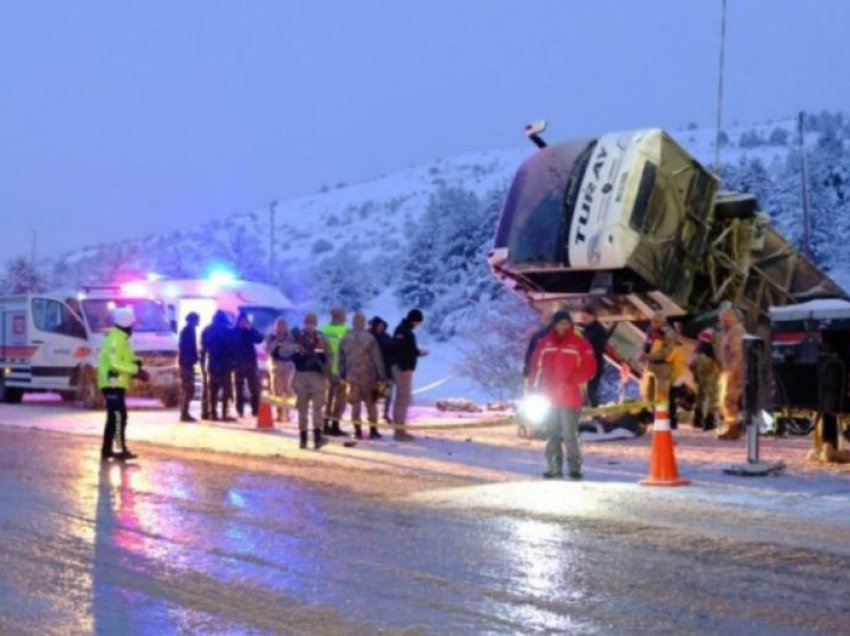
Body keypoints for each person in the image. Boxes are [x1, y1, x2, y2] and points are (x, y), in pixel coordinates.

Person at [528, 310, 597, 479]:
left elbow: (590, 366)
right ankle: (554, 468)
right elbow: (535, 366)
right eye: (560, 323)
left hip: (570, 396)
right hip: (549, 396)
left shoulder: (580, 343)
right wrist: (533, 388)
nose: (563, 326)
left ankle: (575, 468)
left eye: (566, 323)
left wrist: (575, 378)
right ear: (554, 324)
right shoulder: (544, 343)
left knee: (569, 434)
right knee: (552, 434)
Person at [98, 307, 149, 461]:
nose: (133, 327)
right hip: (112, 383)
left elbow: (126, 358)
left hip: (116, 383)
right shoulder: (116, 339)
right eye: (132, 324)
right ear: (126, 323)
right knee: (119, 416)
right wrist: (135, 370)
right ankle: (119, 450)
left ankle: (107, 450)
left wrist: (137, 362)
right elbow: (114, 363)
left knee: (114, 417)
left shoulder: (121, 339)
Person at [340, 312, 387, 440]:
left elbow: (341, 360)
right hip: (369, 376)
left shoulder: (345, 339)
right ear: (364, 322)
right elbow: (377, 359)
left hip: (352, 376)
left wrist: (342, 375)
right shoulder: (370, 339)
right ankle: (373, 430)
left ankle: (358, 430)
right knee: (371, 403)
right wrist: (382, 376)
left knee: (355, 404)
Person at [292, 313, 330, 449]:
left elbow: (325, 356)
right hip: (303, 375)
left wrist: (325, 368)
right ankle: (304, 438)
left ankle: (316, 438)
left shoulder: (319, 339)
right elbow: (293, 356)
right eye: (308, 323)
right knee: (304, 408)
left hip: (315, 376)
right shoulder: (297, 338)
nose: (310, 325)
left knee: (317, 408)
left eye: (312, 323)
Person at [391, 309, 428, 442]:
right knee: (403, 398)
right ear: (416, 320)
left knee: (402, 398)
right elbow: (402, 351)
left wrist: (417, 353)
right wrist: (406, 366)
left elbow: (406, 350)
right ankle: (399, 431)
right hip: (403, 369)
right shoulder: (405, 332)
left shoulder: (402, 330)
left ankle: (399, 428)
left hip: (401, 367)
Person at [201, 310, 236, 422]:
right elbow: (233, 349)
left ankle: (213, 413)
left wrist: (202, 365)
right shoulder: (229, 331)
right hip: (225, 365)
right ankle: (225, 413)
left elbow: (203, 349)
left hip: (212, 364)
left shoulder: (207, 330)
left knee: (212, 391)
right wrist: (234, 363)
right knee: (226, 391)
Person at [717, 304, 746, 440]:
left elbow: (737, 353)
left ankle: (733, 428)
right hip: (730, 370)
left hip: (734, 372)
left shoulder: (736, 331)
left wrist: (732, 371)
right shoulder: (730, 331)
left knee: (729, 400)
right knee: (727, 400)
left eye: (723, 318)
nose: (721, 321)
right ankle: (730, 426)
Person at [320, 307, 350, 436]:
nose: (345, 318)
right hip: (341, 369)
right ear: (338, 316)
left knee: (328, 399)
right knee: (340, 399)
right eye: (343, 315)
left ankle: (325, 425)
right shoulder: (346, 331)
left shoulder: (324, 330)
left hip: (327, 369)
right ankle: (335, 426)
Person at [231, 312, 263, 419]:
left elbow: (259, 339)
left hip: (250, 363)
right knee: (238, 389)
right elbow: (231, 346)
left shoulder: (250, 332)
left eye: (245, 321)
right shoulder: (234, 332)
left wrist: (251, 329)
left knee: (254, 388)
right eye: (242, 321)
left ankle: (255, 410)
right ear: (238, 322)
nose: (243, 323)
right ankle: (239, 410)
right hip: (238, 364)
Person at [265, 317, 296, 423]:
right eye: (278, 325)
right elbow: (268, 350)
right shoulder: (271, 337)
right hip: (275, 365)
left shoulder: (291, 337)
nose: (281, 328)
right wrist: (276, 341)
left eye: (282, 325)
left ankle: (287, 413)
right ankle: (279, 414)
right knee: (276, 390)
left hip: (289, 365)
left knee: (288, 389)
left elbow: (296, 349)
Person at [689, 328, 720, 431]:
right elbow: (718, 356)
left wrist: (695, 375)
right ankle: (709, 421)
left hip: (697, 364)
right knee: (712, 394)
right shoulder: (715, 337)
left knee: (700, 393)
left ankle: (697, 419)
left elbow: (691, 363)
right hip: (708, 362)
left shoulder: (699, 344)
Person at [578, 305, 609, 407]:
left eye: (585, 318)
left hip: (595, 362)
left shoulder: (597, 330)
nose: (584, 321)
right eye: (583, 319)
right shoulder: (588, 329)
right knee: (588, 388)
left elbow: (597, 347)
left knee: (592, 388)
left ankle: (594, 409)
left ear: (593, 316)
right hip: (589, 362)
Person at [369, 316, 395, 423]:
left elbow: (394, 349)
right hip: (372, 370)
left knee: (388, 393)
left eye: (382, 326)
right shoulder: (369, 337)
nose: (380, 328)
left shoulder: (387, 337)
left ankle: (385, 413)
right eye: (378, 326)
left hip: (387, 369)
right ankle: (372, 415)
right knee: (373, 394)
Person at [178, 312, 200, 422]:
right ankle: (184, 413)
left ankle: (185, 412)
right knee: (187, 389)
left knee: (188, 389)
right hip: (186, 364)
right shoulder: (187, 332)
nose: (198, 322)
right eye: (197, 319)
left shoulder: (190, 331)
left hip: (187, 363)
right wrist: (193, 358)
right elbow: (186, 349)